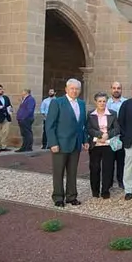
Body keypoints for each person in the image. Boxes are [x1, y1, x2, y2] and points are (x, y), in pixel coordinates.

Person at [45, 78, 88, 207]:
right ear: (66, 89)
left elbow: (82, 125)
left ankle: (71, 196)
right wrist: (52, 143)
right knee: (59, 172)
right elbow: (50, 125)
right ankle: (58, 197)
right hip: (60, 143)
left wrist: (85, 140)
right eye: (72, 88)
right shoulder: (57, 103)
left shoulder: (81, 103)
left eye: (77, 89)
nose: (74, 91)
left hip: (76, 143)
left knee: (73, 171)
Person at [86, 92, 120, 199]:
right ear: (95, 102)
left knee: (108, 168)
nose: (102, 103)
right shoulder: (91, 114)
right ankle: (95, 191)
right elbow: (89, 128)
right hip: (95, 145)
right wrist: (99, 135)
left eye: (104, 101)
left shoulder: (112, 113)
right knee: (94, 168)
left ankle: (105, 190)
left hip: (108, 145)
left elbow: (117, 129)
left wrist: (107, 135)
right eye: (99, 101)